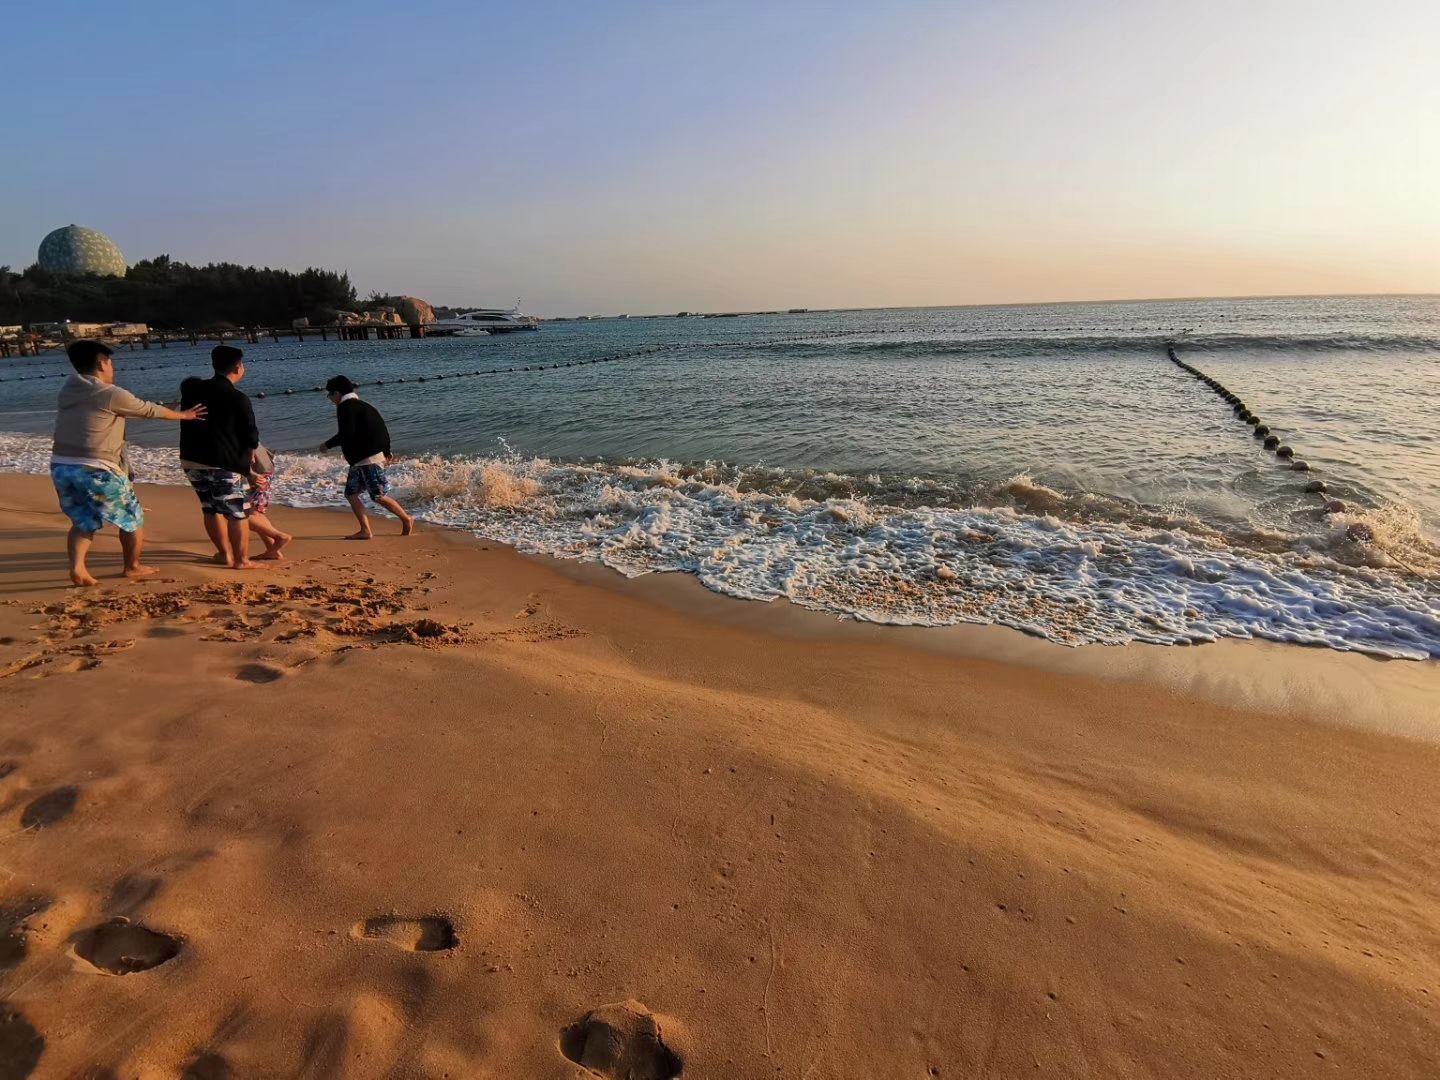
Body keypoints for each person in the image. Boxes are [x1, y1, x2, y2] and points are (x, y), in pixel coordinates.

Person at [50, 339, 206, 586]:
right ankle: (132, 567)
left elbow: (131, 408)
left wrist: (167, 407)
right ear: (102, 363)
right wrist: (184, 415)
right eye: (111, 363)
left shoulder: (69, 388)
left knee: (83, 520)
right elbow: (146, 410)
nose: (112, 368)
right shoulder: (109, 393)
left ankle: (78, 568)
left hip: (61, 466)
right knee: (133, 519)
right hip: (97, 468)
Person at [179, 375, 291, 563]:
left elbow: (244, 445)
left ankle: (276, 539)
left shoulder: (197, 410)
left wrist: (251, 473)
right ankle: (273, 547)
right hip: (251, 467)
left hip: (251, 469)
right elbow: (245, 439)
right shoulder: (223, 405)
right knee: (246, 510)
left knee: (238, 511)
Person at [178, 345, 266, 568]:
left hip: (191, 458)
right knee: (237, 513)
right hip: (223, 463)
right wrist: (249, 468)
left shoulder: (193, 391)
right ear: (238, 367)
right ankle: (241, 560)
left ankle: (223, 554)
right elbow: (251, 439)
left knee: (210, 509)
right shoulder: (238, 398)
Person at [317, 376, 414, 539]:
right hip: (362, 459)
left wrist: (326, 445)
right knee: (350, 493)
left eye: (330, 395)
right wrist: (387, 451)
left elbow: (346, 434)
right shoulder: (365, 406)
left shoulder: (345, 407)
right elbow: (382, 429)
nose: (330, 399)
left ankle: (406, 518)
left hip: (367, 458)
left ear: (337, 393)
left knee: (378, 495)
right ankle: (365, 530)